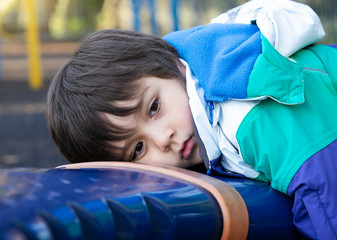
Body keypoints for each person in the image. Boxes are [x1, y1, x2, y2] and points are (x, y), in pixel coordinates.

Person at [47, 0, 337, 238]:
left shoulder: (250, 109)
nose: (163, 138)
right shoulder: (203, 111)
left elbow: (325, 194)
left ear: (171, 66)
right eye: (137, 149)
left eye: (153, 108)